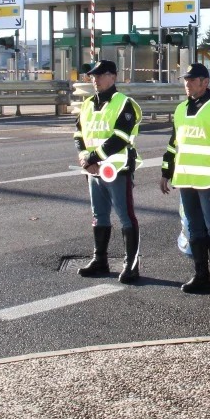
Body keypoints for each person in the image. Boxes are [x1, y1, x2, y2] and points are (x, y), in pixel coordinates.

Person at [160, 62, 210, 299]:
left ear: (205, 83)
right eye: (185, 80)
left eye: (192, 80)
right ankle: (201, 277)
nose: (187, 84)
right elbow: (173, 146)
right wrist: (166, 172)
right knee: (194, 230)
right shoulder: (180, 110)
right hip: (186, 179)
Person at [74, 60, 143, 283]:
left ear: (113, 76)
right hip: (93, 171)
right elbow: (78, 134)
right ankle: (100, 260)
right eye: (93, 76)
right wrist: (84, 157)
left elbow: (120, 139)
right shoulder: (87, 104)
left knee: (125, 217)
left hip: (117, 170)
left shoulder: (124, 103)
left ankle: (131, 265)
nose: (95, 79)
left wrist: (92, 158)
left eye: (100, 75)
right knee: (99, 215)